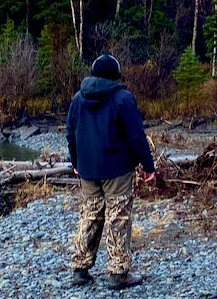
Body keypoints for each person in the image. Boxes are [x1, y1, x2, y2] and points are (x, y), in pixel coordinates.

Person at [66, 54, 156, 289]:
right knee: (118, 218)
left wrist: (75, 162)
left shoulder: (78, 98)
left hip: (88, 170)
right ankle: (118, 274)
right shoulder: (123, 99)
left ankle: (80, 269)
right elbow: (136, 136)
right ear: (116, 73)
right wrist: (148, 166)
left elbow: (70, 133)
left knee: (90, 216)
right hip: (117, 169)